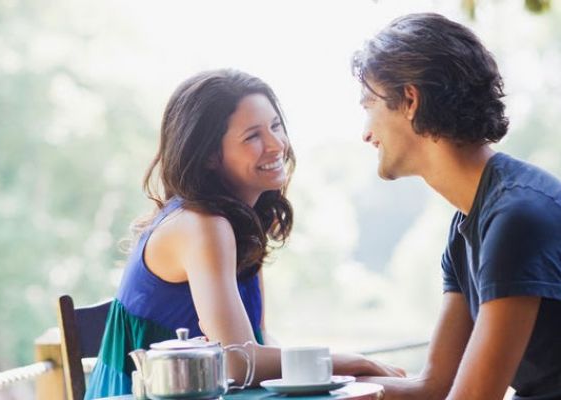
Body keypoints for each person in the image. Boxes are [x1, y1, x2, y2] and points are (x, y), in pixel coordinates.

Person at [85, 69, 405, 399]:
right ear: (209, 156)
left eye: (276, 127)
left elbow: (258, 342)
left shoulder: (239, 224)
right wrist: (351, 361)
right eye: (252, 136)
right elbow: (239, 362)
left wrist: (340, 368)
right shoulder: (202, 225)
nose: (276, 145)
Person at [351, 12, 561, 400]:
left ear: (410, 100)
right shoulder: (467, 223)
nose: (366, 133)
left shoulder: (516, 217)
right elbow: (434, 386)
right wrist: (325, 387)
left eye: (369, 105)